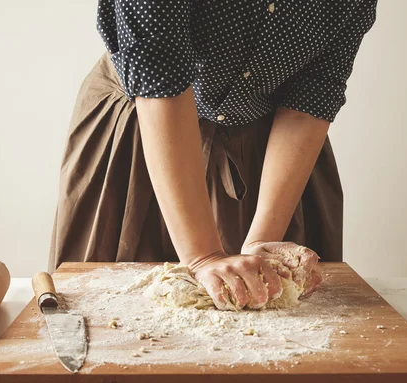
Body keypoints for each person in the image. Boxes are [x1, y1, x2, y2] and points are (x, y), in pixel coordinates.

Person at [49, 0, 378, 310]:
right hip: (143, 123)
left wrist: (263, 239)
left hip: (272, 144)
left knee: (262, 307)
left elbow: (310, 100)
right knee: (105, 309)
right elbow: (159, 78)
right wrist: (203, 256)